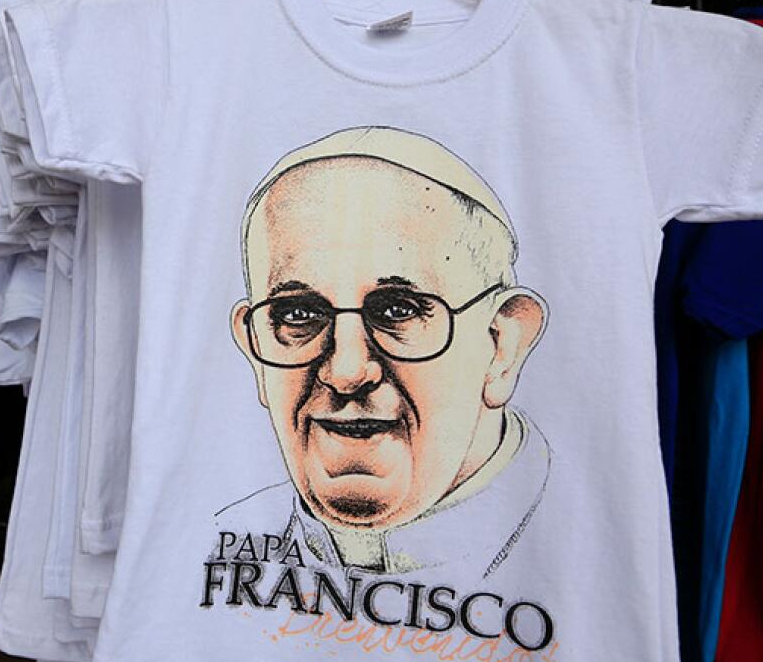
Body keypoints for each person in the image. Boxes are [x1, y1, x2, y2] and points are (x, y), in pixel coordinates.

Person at [218, 126, 551, 581]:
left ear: (502, 346)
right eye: (298, 314)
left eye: (397, 310)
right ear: (256, 349)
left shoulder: (591, 545)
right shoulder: (216, 538)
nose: (347, 370)